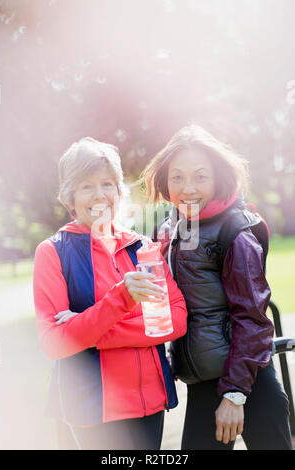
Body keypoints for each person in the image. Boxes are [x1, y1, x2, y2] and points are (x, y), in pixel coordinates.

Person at [140, 125, 293, 450]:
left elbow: (252, 319)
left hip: (248, 384)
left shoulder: (235, 233)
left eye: (200, 176)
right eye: (177, 177)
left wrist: (235, 396)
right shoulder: (168, 230)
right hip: (202, 385)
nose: (188, 188)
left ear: (218, 177)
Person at [33, 137, 187, 450]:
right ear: (70, 197)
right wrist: (121, 299)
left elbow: (175, 321)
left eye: (107, 183)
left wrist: (93, 334)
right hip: (92, 409)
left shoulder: (143, 247)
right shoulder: (52, 252)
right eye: (86, 186)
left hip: (149, 401)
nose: (100, 194)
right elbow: (55, 343)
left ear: (119, 192)